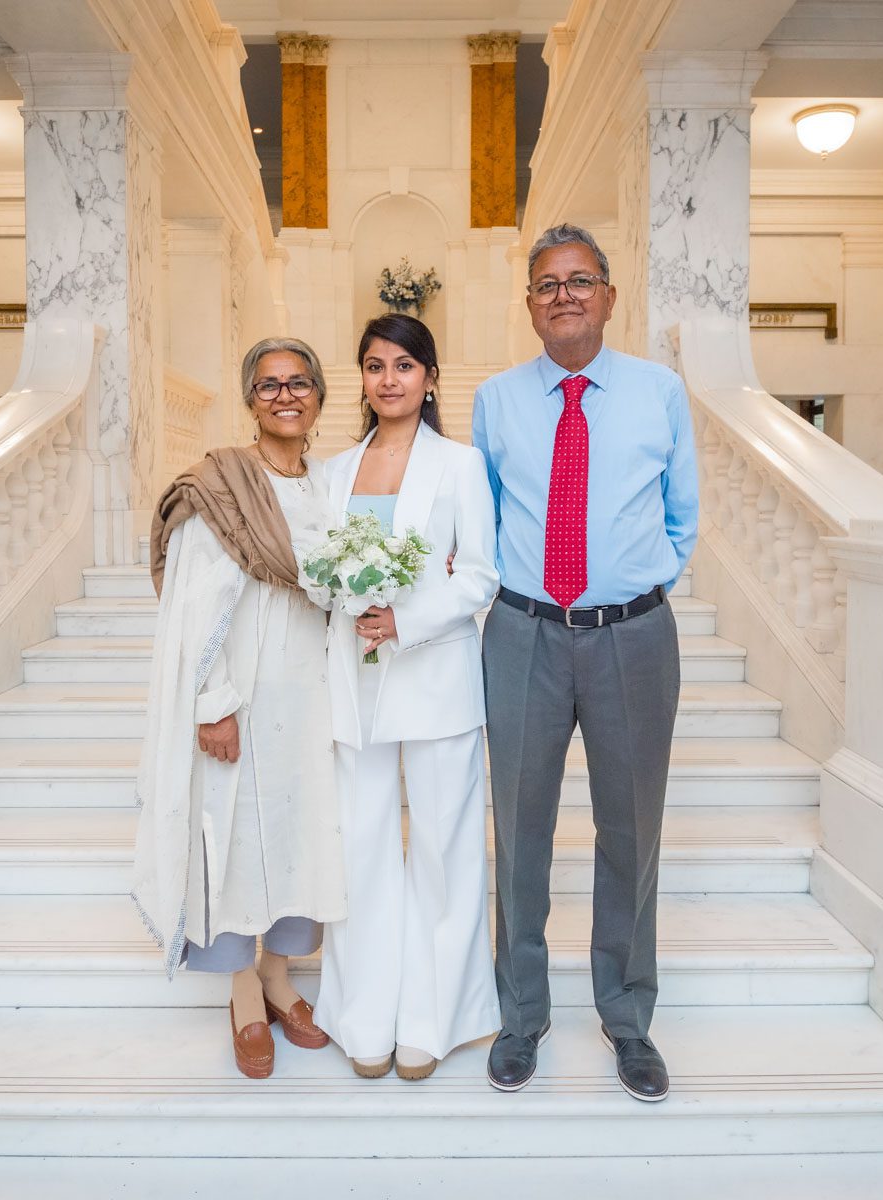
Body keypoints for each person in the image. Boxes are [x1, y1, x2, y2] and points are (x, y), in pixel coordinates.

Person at [471, 224, 698, 1102]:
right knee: (519, 832)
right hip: (522, 633)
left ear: (609, 294)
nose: (564, 294)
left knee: (630, 830)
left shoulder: (660, 392)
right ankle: (520, 1016)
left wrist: (627, 593)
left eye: (581, 280)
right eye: (546, 284)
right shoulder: (497, 400)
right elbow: (484, 518)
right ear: (529, 305)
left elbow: (682, 517)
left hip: (632, 637)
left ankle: (627, 1018)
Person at [132, 336, 345, 1080]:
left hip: (313, 702)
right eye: (268, 385)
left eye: (298, 383)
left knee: (300, 836)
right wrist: (212, 703)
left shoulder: (327, 486)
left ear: (318, 395)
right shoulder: (222, 486)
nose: (285, 395)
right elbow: (195, 607)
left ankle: (282, 975)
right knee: (236, 842)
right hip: (244, 700)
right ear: (249, 399)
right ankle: (244, 993)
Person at [315, 313, 502, 1081]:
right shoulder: (332, 473)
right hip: (354, 682)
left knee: (444, 850)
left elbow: (481, 576)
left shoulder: (460, 466)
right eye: (373, 366)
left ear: (429, 377)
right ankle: (364, 1017)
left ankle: (436, 1017)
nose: (387, 379)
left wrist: (406, 619)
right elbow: (320, 571)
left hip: (435, 679)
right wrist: (345, 602)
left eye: (403, 365)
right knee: (358, 850)